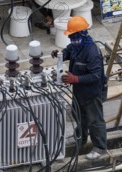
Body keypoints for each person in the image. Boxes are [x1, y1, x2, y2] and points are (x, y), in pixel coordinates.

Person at [51, 16, 108, 160]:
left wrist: (75, 79)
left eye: (72, 35)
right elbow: (67, 52)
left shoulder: (92, 51)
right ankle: (80, 140)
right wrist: (59, 55)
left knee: (95, 121)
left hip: (92, 93)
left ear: (80, 34)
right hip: (79, 91)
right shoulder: (76, 46)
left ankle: (100, 147)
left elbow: (95, 76)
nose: (70, 38)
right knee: (80, 118)